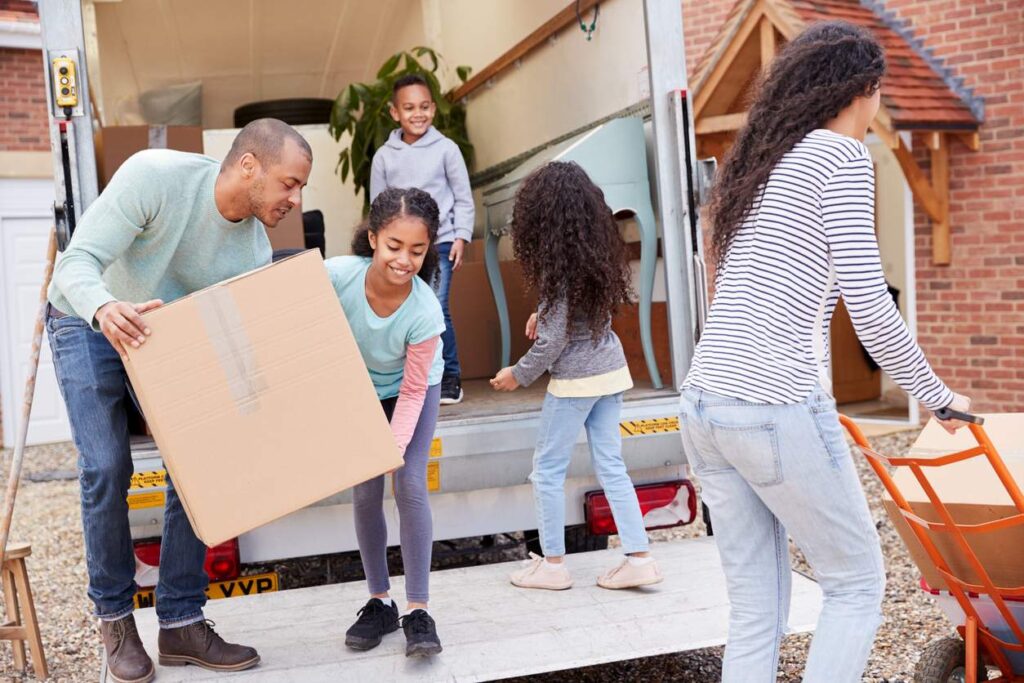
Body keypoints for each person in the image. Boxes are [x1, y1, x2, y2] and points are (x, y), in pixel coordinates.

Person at [678, 22, 971, 682]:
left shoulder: (765, 161)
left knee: (756, 609)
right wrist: (938, 394)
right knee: (857, 581)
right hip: (773, 403)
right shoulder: (839, 159)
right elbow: (871, 307)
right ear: (864, 91)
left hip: (704, 405)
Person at [46, 118, 312, 682]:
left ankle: (181, 622)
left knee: (200, 460)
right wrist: (105, 308)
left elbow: (228, 342)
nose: (296, 198)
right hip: (85, 319)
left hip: (162, 339)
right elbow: (74, 265)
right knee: (105, 464)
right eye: (289, 182)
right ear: (249, 167)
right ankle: (115, 618)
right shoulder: (155, 178)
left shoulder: (254, 248)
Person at [491, 161, 662, 591]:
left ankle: (552, 566)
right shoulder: (596, 255)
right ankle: (639, 557)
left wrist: (518, 374)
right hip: (610, 373)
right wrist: (542, 313)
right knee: (611, 465)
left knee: (547, 470)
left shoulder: (558, 267)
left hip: (576, 384)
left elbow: (552, 343)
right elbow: (575, 314)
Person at [326, 187, 445, 658]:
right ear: (373, 238)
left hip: (413, 390)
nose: (405, 260)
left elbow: (414, 391)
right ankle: (380, 601)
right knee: (365, 489)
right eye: (394, 246)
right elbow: (285, 297)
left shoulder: (424, 310)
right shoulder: (337, 275)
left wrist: (391, 447)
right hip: (361, 391)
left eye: (417, 250)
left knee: (409, 483)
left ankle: (418, 609)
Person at [370, 73, 474, 406]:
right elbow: (378, 207)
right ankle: (411, 379)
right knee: (404, 309)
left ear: (433, 108)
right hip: (400, 250)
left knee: (437, 309)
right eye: (410, 107)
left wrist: (461, 236)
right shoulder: (384, 157)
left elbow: (462, 197)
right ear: (394, 113)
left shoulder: (447, 149)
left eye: (425, 106)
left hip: (441, 243)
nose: (419, 114)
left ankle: (450, 378)